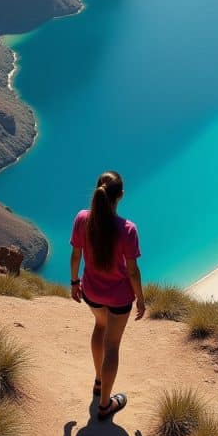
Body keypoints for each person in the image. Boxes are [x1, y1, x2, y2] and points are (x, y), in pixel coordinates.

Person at [70, 170, 146, 420]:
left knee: (99, 327)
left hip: (91, 290)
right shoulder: (127, 229)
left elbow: (76, 256)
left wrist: (74, 282)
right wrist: (141, 300)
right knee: (112, 345)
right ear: (120, 195)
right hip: (119, 297)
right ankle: (105, 405)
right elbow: (133, 272)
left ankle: (99, 381)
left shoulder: (82, 219)